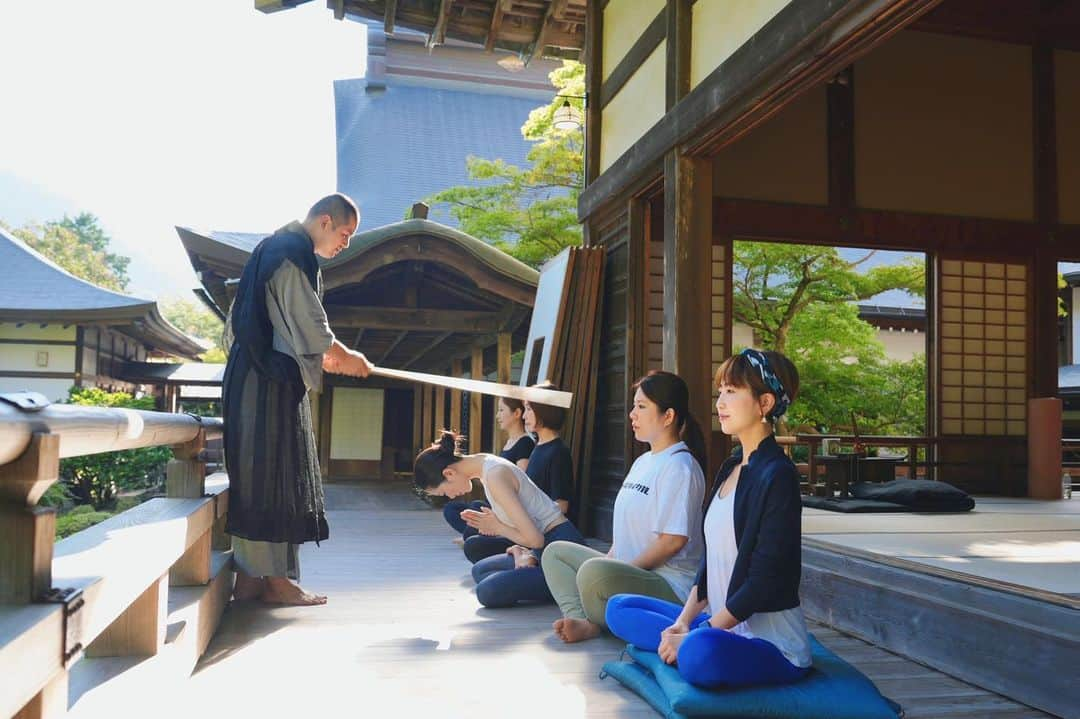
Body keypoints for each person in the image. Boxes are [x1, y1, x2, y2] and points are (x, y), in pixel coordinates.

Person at [605, 349, 812, 689]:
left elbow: (765, 580)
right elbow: (708, 563)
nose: (720, 402)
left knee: (701, 652)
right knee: (619, 608)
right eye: (720, 392)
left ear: (765, 403)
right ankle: (680, 647)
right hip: (714, 624)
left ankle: (686, 651)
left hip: (768, 644)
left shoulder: (778, 475)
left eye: (732, 392)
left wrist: (701, 632)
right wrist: (684, 622)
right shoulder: (731, 465)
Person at [223, 193, 373, 606]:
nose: (345, 244)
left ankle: (252, 577)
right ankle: (274, 580)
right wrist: (342, 356)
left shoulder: (269, 249)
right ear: (324, 221)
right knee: (271, 475)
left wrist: (325, 356)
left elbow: (243, 323)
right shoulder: (290, 252)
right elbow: (308, 321)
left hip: (252, 374)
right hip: (266, 380)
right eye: (344, 234)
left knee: (261, 474)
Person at [541, 371, 706, 643]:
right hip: (626, 570)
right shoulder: (643, 462)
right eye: (633, 406)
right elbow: (623, 536)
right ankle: (585, 619)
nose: (632, 414)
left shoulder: (680, 466)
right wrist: (610, 563)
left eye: (642, 407)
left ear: (668, 416)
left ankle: (594, 621)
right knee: (555, 554)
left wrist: (620, 570)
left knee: (593, 574)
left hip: (668, 584)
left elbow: (672, 542)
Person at [414, 432, 586, 608]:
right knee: (480, 570)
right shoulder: (485, 464)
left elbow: (536, 539)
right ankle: (532, 566)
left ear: (449, 473)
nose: (450, 496)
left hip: (561, 553)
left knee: (487, 591)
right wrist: (519, 550)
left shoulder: (495, 475)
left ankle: (562, 586)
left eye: (444, 492)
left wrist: (498, 527)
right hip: (542, 549)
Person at [442, 397, 535, 538]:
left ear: (516, 413)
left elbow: (521, 478)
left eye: (501, 410)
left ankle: (472, 536)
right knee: (452, 509)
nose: (497, 415)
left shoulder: (525, 443)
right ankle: (475, 533)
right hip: (493, 504)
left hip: (507, 506)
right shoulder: (509, 442)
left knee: (476, 509)